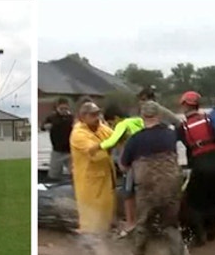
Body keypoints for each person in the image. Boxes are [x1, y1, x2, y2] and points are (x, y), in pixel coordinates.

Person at [120, 101, 184, 255]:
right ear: (158, 116)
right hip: (171, 185)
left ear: (142, 117)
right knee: (171, 226)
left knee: (143, 224)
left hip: (147, 187)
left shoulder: (135, 139)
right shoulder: (170, 135)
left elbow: (124, 165)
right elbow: (178, 127)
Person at [176, 91, 215, 247]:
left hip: (202, 165)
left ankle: (200, 237)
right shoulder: (211, 119)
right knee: (213, 199)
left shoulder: (183, 127)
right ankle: (212, 233)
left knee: (193, 202)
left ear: (185, 105)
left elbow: (179, 147)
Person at [89, 105, 144, 235]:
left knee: (127, 193)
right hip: (147, 160)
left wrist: (96, 147)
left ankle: (131, 223)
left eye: (111, 123)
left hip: (133, 163)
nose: (111, 126)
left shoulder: (122, 124)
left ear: (116, 118)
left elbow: (112, 141)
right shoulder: (138, 121)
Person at [70, 99, 116, 236]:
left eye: (98, 114)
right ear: (83, 117)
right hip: (89, 180)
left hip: (106, 177)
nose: (97, 118)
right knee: (90, 214)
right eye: (93, 115)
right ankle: (89, 242)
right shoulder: (78, 134)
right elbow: (93, 149)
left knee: (106, 211)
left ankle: (104, 237)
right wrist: (110, 143)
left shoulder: (101, 127)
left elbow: (115, 137)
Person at [41, 97, 74, 181]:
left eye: (65, 108)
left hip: (70, 151)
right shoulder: (52, 118)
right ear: (57, 108)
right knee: (53, 175)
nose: (63, 110)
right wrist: (46, 126)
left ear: (68, 108)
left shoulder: (72, 118)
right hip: (57, 151)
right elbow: (42, 127)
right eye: (61, 108)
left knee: (74, 173)